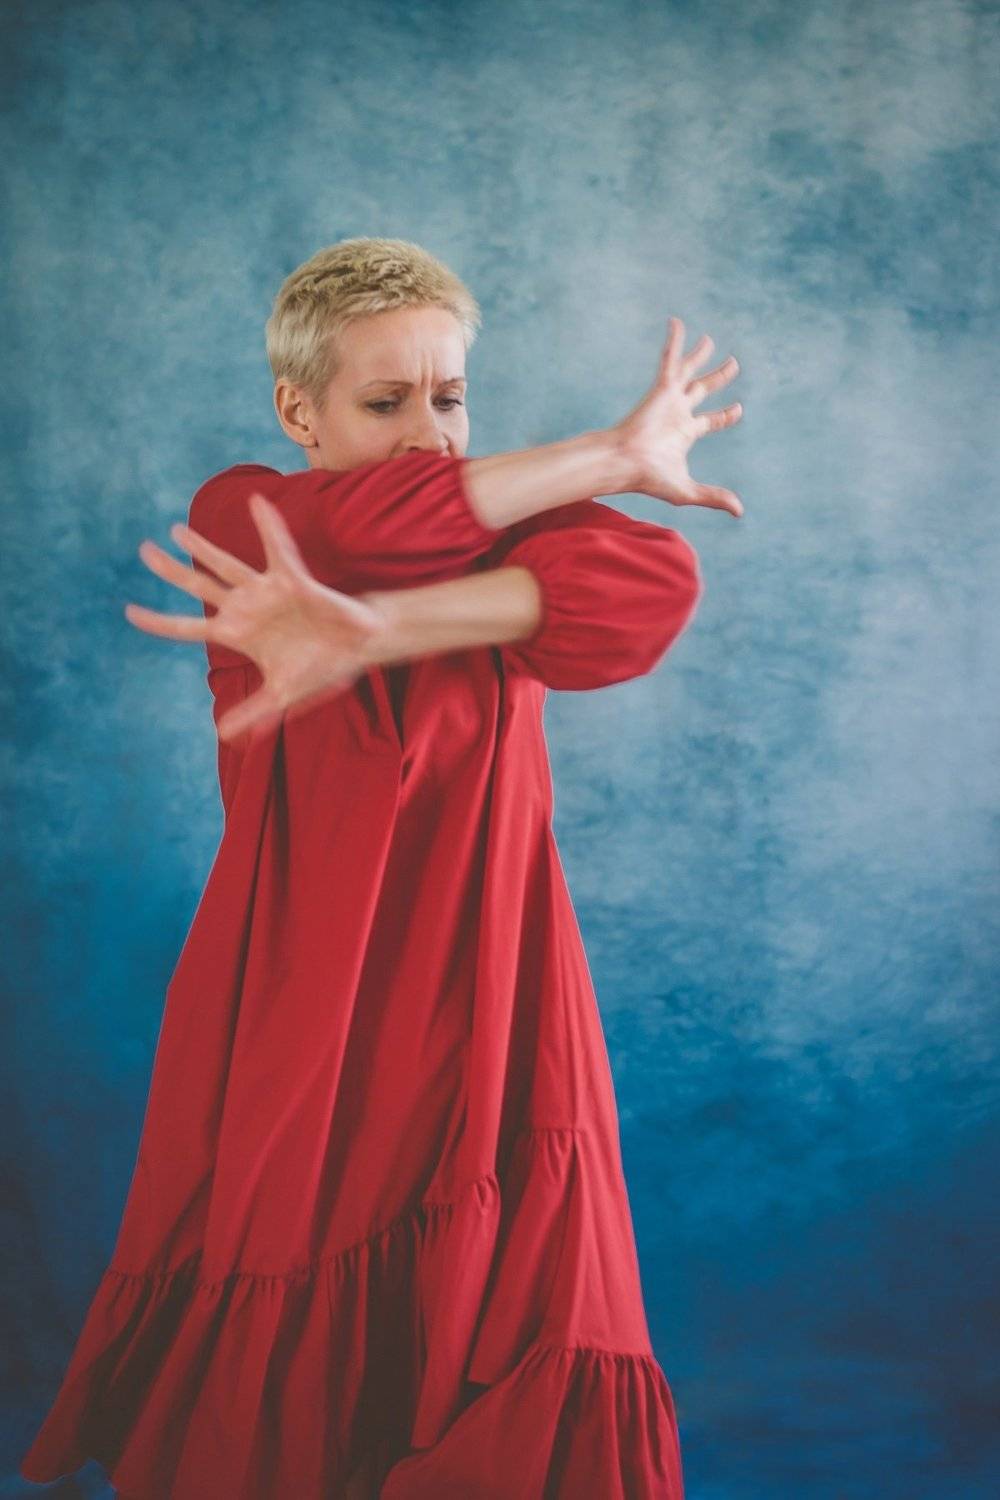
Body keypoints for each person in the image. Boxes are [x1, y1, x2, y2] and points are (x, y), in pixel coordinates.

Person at [19, 237, 742, 1499]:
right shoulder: (247, 521)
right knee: (311, 1344)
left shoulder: (514, 528)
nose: (429, 436)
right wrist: (615, 454)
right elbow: (368, 528)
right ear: (299, 413)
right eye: (385, 401)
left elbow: (646, 584)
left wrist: (382, 633)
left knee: (523, 1299)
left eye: (450, 398)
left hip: (504, 987)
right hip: (317, 1005)